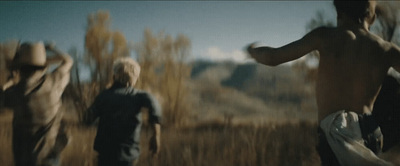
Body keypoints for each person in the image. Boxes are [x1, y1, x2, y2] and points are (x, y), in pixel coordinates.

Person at [247, 0, 400, 165]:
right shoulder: (386, 49)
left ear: (338, 12)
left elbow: (273, 57)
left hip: (334, 135)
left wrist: (253, 51)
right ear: (372, 17)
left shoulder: (325, 36)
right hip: (369, 131)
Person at [0, 41, 73, 166]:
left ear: (20, 69)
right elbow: (68, 61)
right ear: (44, 67)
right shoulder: (55, 81)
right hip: (50, 158)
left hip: (23, 160)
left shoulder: (15, 93)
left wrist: (9, 82)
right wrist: (52, 48)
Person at [85, 57, 162, 166]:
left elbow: (87, 119)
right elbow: (154, 105)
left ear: (114, 76)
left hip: (105, 155)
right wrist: (156, 135)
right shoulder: (139, 96)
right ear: (135, 79)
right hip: (128, 156)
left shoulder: (104, 96)